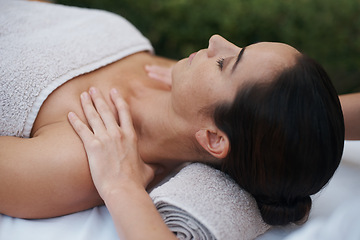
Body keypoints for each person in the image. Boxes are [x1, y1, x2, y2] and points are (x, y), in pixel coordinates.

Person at [0, 0, 356, 231]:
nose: (217, 40)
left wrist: (120, 186)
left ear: (214, 138)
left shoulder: (84, 153)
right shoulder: (180, 83)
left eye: (225, 63)